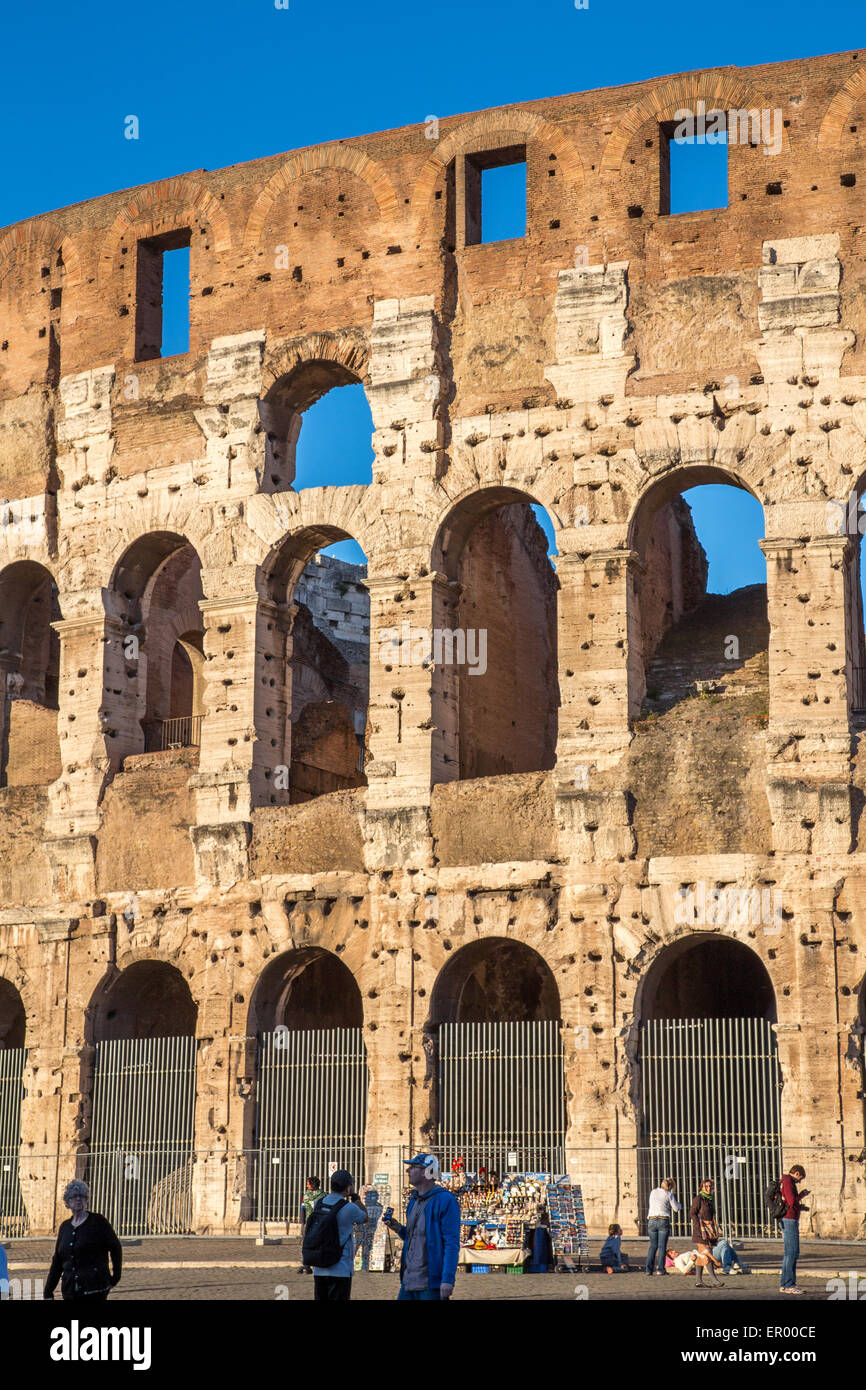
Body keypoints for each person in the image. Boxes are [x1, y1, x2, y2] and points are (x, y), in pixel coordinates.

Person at [384, 1153, 460, 1301]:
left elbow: (451, 1244)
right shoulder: (413, 1200)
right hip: (408, 1281)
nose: (408, 1171)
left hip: (430, 1284)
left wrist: (447, 1279)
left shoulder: (445, 1201)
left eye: (413, 1167)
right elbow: (413, 1237)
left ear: (427, 1171)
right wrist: (398, 1228)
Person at [44, 1180, 122, 1301]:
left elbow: (115, 1248)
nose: (78, 1200)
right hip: (70, 1290)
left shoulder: (98, 1222)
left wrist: (115, 1276)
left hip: (95, 1289)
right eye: (74, 1197)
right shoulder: (65, 1227)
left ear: (87, 1200)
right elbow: (58, 1261)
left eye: (82, 1196)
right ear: (67, 1202)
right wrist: (48, 1290)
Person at [305, 1170, 367, 1301]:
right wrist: (356, 1199)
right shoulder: (350, 1208)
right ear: (349, 1187)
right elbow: (365, 1217)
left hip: (319, 1266)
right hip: (340, 1268)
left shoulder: (319, 1203)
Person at [779, 1164, 810, 1294]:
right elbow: (791, 1201)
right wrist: (802, 1194)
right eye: (800, 1178)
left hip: (787, 1219)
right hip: (789, 1220)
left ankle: (785, 1283)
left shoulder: (785, 1181)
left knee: (789, 1253)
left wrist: (800, 1207)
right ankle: (789, 1284)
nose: (799, 1181)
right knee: (792, 1252)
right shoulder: (788, 1182)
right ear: (796, 1173)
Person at [689, 1178, 724, 1288]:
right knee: (707, 1253)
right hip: (700, 1231)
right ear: (701, 1188)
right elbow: (692, 1213)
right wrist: (698, 1226)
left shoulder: (710, 1199)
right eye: (706, 1187)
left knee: (702, 1255)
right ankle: (715, 1280)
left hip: (709, 1230)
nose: (708, 1189)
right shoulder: (698, 1199)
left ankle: (698, 1280)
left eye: (710, 1187)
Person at [645, 1177, 681, 1275]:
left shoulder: (653, 1192)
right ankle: (660, 1269)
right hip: (663, 1220)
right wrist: (679, 1204)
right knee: (662, 1246)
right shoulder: (668, 1194)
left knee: (653, 1246)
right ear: (670, 1186)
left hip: (651, 1220)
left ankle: (648, 1270)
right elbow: (676, 1208)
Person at [300, 1175, 325, 1274]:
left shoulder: (308, 1195)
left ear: (313, 1185)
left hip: (313, 1221)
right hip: (317, 1221)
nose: (306, 1185)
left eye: (308, 1183)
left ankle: (309, 1265)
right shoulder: (322, 1195)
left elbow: (303, 1209)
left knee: (311, 1243)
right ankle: (312, 1264)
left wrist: (302, 1222)